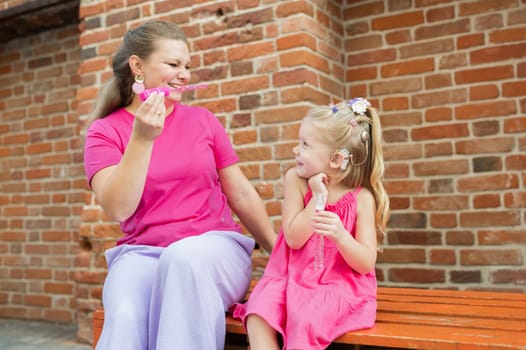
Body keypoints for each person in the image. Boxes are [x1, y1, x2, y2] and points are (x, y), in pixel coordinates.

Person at [83, 20, 276, 350]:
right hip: (142, 253)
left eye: (187, 66)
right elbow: (118, 208)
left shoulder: (204, 121)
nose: (184, 74)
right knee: (125, 317)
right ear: (137, 67)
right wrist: (141, 140)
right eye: (173, 64)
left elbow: (241, 193)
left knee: (183, 258)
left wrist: (278, 251)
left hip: (215, 249)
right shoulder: (105, 132)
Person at [233, 98, 390, 350]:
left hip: (338, 285)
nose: (296, 150)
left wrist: (341, 236)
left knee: (306, 317)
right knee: (259, 313)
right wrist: (317, 198)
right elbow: (294, 238)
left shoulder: (362, 199)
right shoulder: (296, 181)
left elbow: (365, 262)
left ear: (336, 159)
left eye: (305, 144)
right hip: (287, 277)